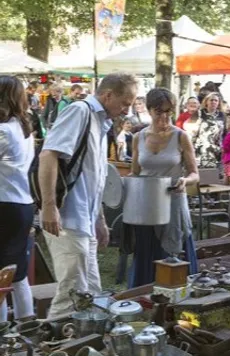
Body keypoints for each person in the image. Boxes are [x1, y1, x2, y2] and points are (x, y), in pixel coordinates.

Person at [39, 73, 137, 318]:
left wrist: (100, 219)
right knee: (71, 293)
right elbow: (48, 155)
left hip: (85, 218)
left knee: (90, 292)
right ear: (107, 95)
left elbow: (94, 178)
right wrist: (49, 206)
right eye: (125, 103)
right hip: (68, 217)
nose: (127, 110)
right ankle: (56, 348)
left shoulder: (100, 121)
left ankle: (82, 344)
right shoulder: (80, 112)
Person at [128, 87, 199, 287]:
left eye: (169, 111)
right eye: (159, 111)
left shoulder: (181, 136)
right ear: (149, 111)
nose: (164, 116)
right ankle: (144, 297)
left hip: (173, 204)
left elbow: (194, 174)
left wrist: (185, 181)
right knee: (147, 255)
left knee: (173, 255)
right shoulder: (138, 138)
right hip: (146, 206)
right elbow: (135, 173)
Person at [0, 76, 35, 322]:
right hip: (23, 203)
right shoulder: (25, 129)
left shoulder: (3, 131)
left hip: (5, 205)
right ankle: (27, 327)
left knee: (2, 274)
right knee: (18, 273)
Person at [194, 92, 225, 168]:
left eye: (216, 100)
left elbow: (225, 132)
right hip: (202, 148)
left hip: (217, 148)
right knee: (202, 172)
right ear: (206, 102)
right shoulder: (199, 113)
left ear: (218, 103)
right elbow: (193, 130)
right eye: (211, 100)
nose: (213, 102)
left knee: (215, 174)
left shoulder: (222, 115)